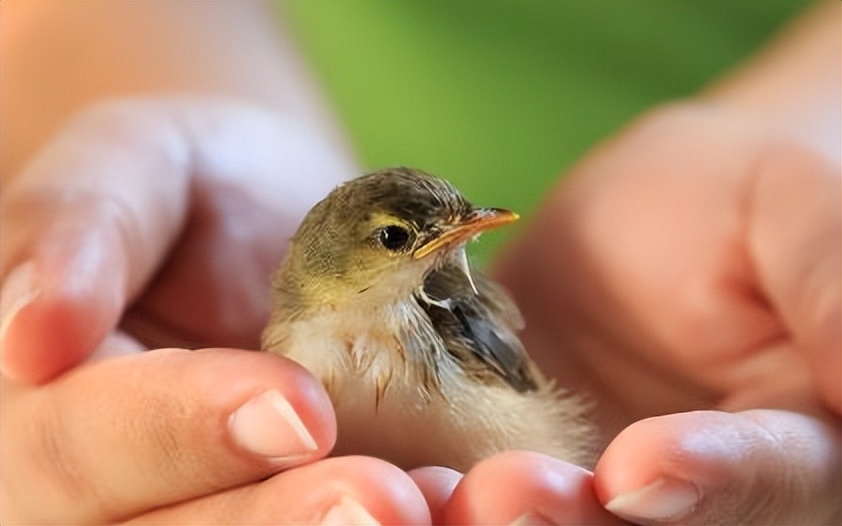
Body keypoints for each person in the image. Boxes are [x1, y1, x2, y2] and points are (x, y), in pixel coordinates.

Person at [1, 1, 838, 524]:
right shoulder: (287, 342)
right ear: (347, 256)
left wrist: (806, 140)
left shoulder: (447, 314)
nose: (444, 246)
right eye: (402, 238)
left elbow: (529, 408)